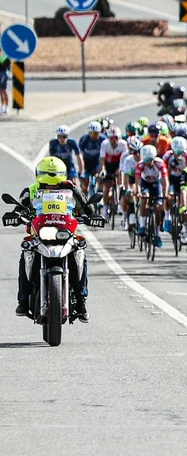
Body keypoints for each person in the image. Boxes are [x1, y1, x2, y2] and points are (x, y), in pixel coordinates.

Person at [15, 157, 96, 321]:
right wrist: (17, 216)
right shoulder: (30, 191)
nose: (51, 182)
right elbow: (19, 209)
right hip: (39, 236)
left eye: (55, 176)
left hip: (67, 235)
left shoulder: (70, 190)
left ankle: (81, 300)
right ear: (39, 175)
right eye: (47, 176)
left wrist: (78, 193)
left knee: (80, 255)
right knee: (25, 256)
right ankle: (23, 300)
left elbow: (90, 210)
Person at [135, 145, 169, 248]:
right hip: (145, 183)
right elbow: (137, 181)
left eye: (150, 160)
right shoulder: (140, 165)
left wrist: (165, 192)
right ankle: (142, 225)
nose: (148, 163)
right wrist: (138, 192)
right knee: (144, 197)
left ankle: (157, 235)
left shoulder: (159, 163)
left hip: (156, 183)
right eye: (146, 160)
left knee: (158, 208)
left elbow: (165, 180)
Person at [79, 121, 106, 196]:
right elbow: (80, 155)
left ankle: (99, 196)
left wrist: (103, 169)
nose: (93, 136)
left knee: (101, 179)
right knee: (85, 185)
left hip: (98, 163)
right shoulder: (84, 139)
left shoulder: (103, 139)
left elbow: (105, 155)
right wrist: (82, 170)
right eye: (91, 133)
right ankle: (84, 202)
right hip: (87, 163)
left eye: (96, 133)